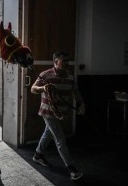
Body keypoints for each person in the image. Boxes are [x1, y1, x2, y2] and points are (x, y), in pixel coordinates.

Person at [30, 50, 86, 181]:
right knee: (60, 139)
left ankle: (38, 154)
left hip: (61, 112)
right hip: (47, 112)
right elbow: (33, 89)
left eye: (68, 61)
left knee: (48, 133)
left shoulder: (70, 77)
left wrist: (82, 104)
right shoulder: (46, 75)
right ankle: (72, 169)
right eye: (64, 61)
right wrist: (43, 88)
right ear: (56, 62)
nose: (67, 63)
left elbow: (76, 92)